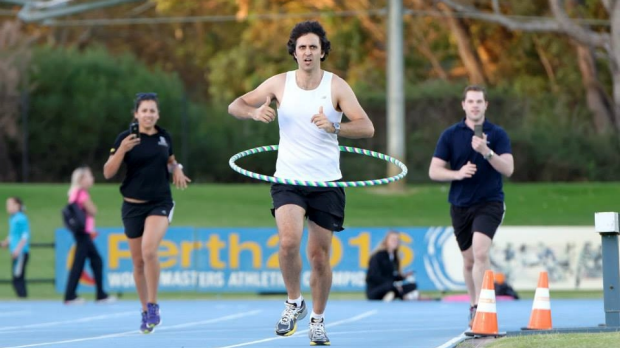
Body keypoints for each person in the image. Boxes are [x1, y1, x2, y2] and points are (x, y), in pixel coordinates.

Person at [228, 20, 374, 346]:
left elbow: (366, 127)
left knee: (319, 257)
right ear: (294, 52)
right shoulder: (279, 84)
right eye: (302, 47)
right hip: (288, 180)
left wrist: (335, 128)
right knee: (288, 242)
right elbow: (235, 105)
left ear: (323, 51)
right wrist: (254, 115)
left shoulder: (336, 86)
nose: (307, 52)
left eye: (313, 47)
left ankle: (318, 320)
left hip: (327, 183)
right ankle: (294, 301)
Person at [103, 92, 191, 334]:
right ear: (136, 114)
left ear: (157, 114)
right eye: (144, 111)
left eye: (152, 110)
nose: (149, 114)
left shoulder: (164, 137)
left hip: (159, 203)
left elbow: (171, 161)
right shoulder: (126, 137)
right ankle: (145, 310)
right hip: (132, 206)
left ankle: (153, 306)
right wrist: (122, 149)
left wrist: (178, 169)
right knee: (138, 262)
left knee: (149, 250)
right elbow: (108, 172)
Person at [428, 85, 514, 328]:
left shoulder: (497, 134)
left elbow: (508, 169)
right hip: (460, 205)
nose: (475, 105)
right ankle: (474, 305)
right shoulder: (450, 135)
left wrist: (486, 151)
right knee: (468, 261)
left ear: (486, 105)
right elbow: (434, 171)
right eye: (471, 101)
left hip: (489, 202)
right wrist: (458, 173)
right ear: (463, 105)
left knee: (480, 253)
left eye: (479, 101)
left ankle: (485, 309)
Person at [64, 166, 115, 305]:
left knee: (93, 261)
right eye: (89, 176)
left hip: (81, 233)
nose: (92, 179)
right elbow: (92, 211)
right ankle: (71, 295)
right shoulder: (81, 194)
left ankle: (98, 293)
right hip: (83, 233)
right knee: (84, 263)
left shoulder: (74, 193)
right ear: (82, 179)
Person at [366, 230, 418, 301]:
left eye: (397, 240)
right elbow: (372, 276)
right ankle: (394, 295)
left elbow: (391, 277)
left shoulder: (395, 257)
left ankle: (393, 294)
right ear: (386, 241)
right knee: (391, 286)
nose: (395, 241)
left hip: (390, 286)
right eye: (393, 239)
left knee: (413, 285)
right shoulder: (378, 256)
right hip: (375, 289)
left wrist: (403, 277)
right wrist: (393, 284)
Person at [1, 197, 30, 298]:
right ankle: (22, 297)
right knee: (16, 277)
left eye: (10, 205)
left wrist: (18, 250)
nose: (7, 207)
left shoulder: (21, 218)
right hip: (15, 252)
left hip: (21, 252)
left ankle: (23, 297)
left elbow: (25, 236)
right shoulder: (12, 218)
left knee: (17, 278)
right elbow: (13, 234)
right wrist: (6, 242)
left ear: (17, 206)